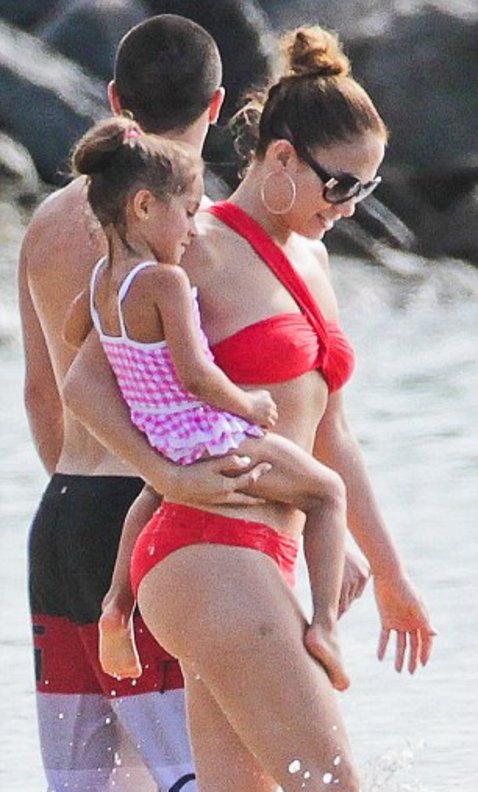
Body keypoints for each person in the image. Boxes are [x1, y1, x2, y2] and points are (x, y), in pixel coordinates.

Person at [63, 23, 436, 792]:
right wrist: (166, 473)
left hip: (265, 556)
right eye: (340, 185)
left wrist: (390, 573)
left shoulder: (316, 260)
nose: (349, 207)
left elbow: (332, 436)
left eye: (367, 189)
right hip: (206, 549)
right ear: (281, 159)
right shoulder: (200, 244)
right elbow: (84, 381)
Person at [19, 14, 277, 792]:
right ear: (219, 104)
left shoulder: (45, 224)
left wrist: (84, 505)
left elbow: (42, 395)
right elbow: (234, 392)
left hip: (61, 521)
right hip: (162, 525)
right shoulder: (196, 233)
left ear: (113, 100)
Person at [65, 115, 359, 693]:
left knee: (150, 497)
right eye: (188, 210)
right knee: (327, 493)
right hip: (206, 432)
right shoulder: (165, 282)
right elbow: (197, 375)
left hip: (160, 436)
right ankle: (325, 626)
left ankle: (117, 604)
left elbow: (76, 332)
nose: (194, 231)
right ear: (145, 207)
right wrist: (248, 405)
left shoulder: (101, 282)